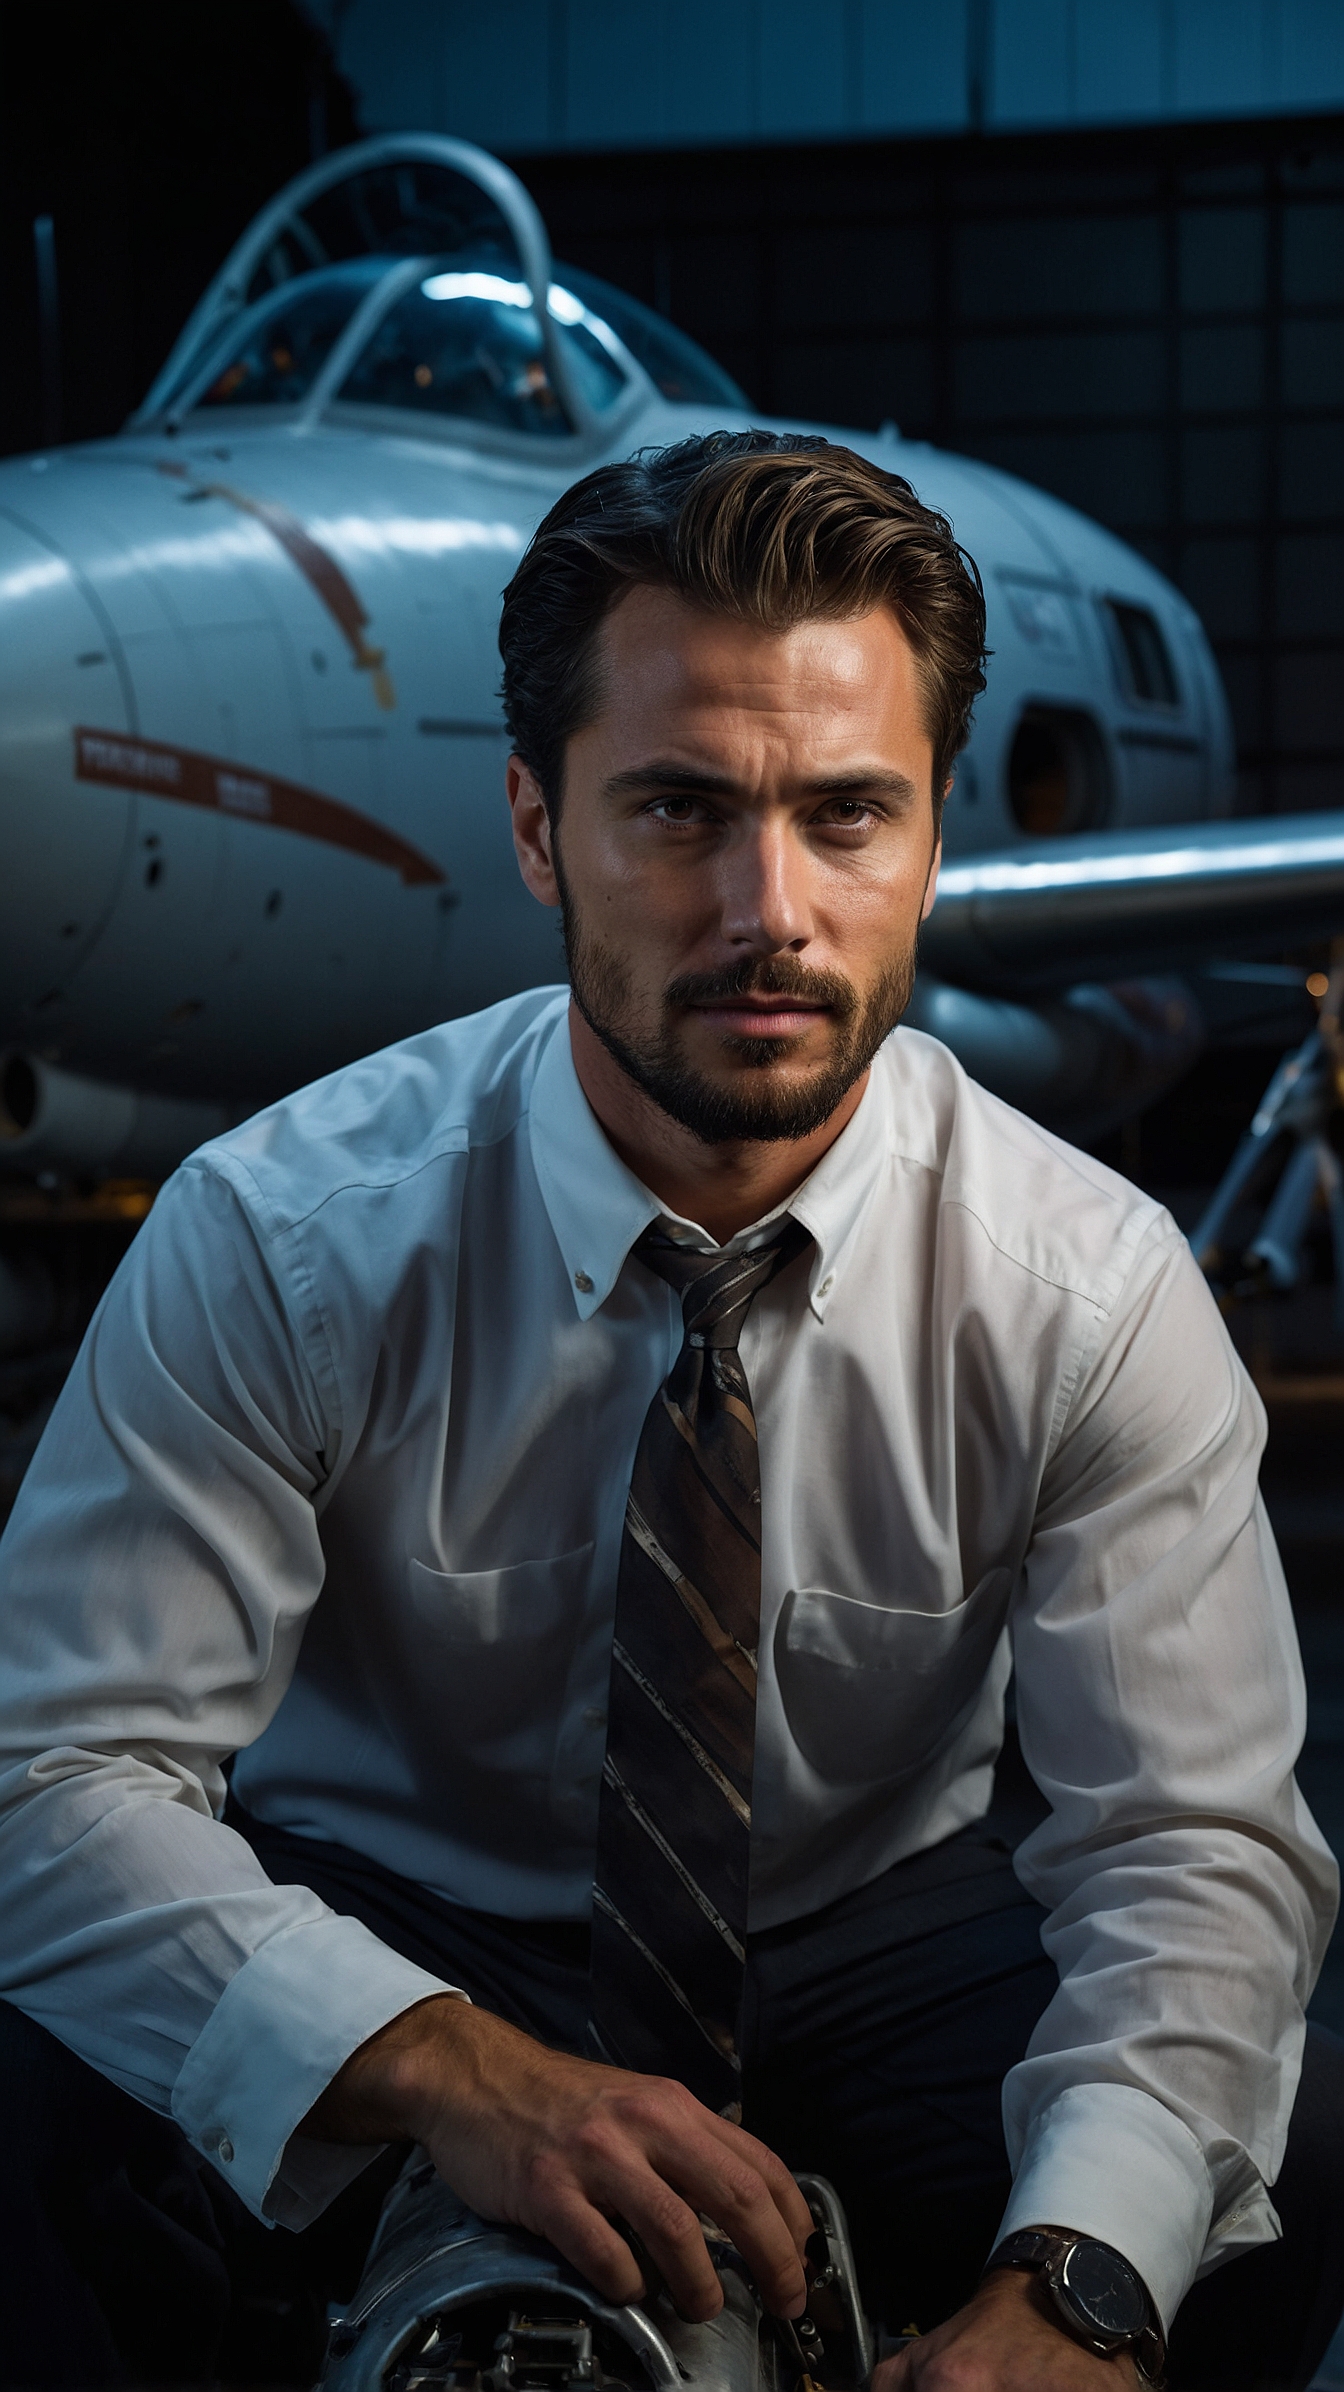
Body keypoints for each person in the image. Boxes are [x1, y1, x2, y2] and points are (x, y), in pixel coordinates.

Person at [0, 430, 1339, 2392]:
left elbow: (1188, 1840)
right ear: (539, 828)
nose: (770, 908)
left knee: (1263, 2155)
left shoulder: (1087, 1285)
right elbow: (50, 1780)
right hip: (407, 1908)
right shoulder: (283, 1238)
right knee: (46, 2077)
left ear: (935, 833)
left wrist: (1082, 2281)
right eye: (680, 809)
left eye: (847, 815)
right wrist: (441, 2064)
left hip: (866, 1936)